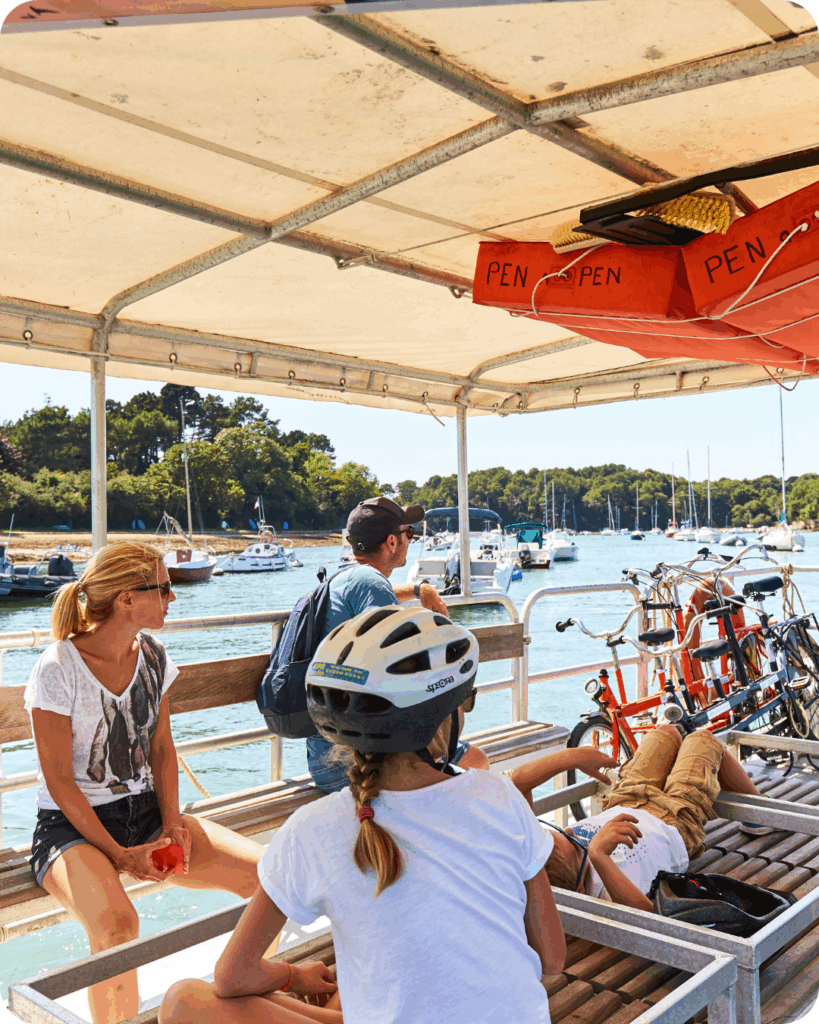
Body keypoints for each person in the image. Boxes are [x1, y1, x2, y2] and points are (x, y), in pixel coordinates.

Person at [160, 607, 566, 1024]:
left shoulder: (312, 827)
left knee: (183, 1000)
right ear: (441, 718)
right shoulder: (499, 794)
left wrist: (293, 977)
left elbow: (231, 978)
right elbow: (552, 958)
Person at [25, 542, 265, 1024]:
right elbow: (60, 783)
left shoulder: (153, 655)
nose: (173, 598)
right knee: (117, 927)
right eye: (164, 588)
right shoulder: (58, 667)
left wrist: (173, 822)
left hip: (148, 812)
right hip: (71, 828)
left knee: (267, 879)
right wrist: (119, 853)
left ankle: (244, 1002)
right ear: (126, 599)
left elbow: (162, 749)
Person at [307, 496, 489, 792]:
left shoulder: (342, 579)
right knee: (477, 761)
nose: (409, 540)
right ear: (392, 542)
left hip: (323, 755)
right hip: (355, 762)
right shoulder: (372, 586)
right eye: (409, 534)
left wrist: (419, 588)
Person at [541, 723, 771, 912]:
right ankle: (759, 814)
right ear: (581, 889)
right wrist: (599, 855)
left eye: (562, 831)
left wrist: (569, 758)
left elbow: (518, 783)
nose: (571, 832)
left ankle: (750, 798)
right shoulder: (605, 891)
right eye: (574, 843)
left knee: (666, 732)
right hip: (673, 821)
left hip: (626, 801)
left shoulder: (550, 856)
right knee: (704, 739)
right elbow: (645, 915)